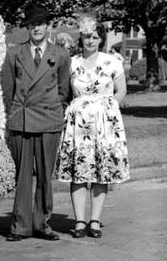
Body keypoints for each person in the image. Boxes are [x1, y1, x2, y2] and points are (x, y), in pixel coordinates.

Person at [0, 6, 72, 241]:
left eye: (41, 24)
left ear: (48, 26)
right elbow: (7, 89)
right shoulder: (14, 53)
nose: (37, 28)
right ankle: (20, 226)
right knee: (22, 175)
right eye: (32, 25)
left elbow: (64, 89)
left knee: (44, 175)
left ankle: (42, 224)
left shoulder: (60, 54)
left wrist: (55, 109)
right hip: (21, 120)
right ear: (28, 28)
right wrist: (12, 117)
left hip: (49, 120)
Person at [54, 14, 129, 238]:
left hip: (105, 124)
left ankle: (94, 221)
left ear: (101, 39)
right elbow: (64, 92)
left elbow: (121, 90)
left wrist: (108, 109)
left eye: (95, 37)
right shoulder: (72, 62)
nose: (91, 41)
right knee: (79, 172)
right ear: (81, 38)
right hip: (78, 125)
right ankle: (79, 222)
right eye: (87, 36)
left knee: (100, 172)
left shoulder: (112, 62)